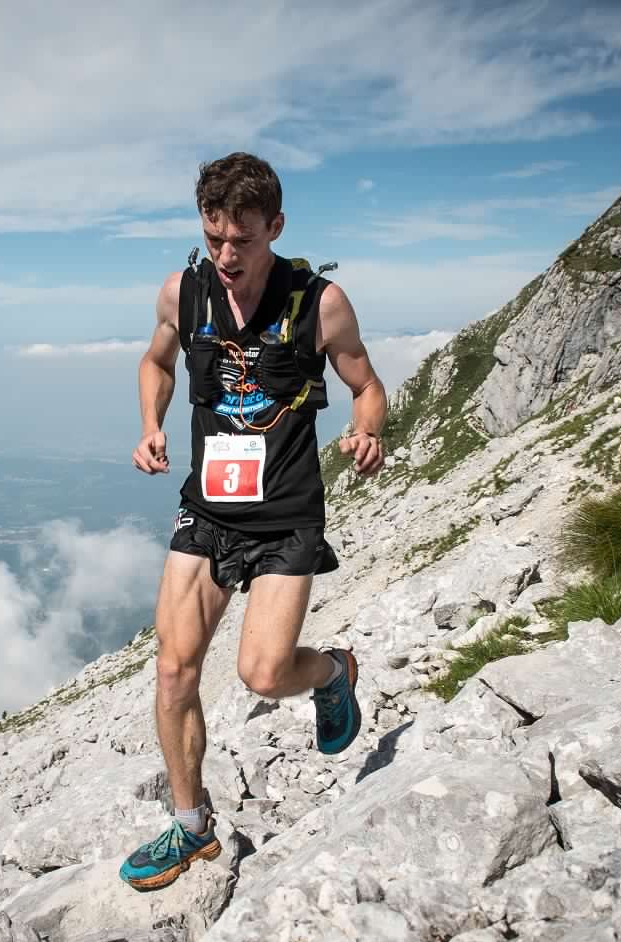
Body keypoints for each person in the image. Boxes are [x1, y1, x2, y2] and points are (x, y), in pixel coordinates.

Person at [120, 152, 387, 891]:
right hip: (208, 509)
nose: (227, 255)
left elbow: (366, 383)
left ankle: (332, 671)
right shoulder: (183, 292)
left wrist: (368, 430)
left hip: (286, 516)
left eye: (243, 239)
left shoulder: (320, 303)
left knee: (263, 674)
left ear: (276, 226)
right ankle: (191, 826)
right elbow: (156, 362)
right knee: (173, 668)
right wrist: (150, 423)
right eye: (214, 238)